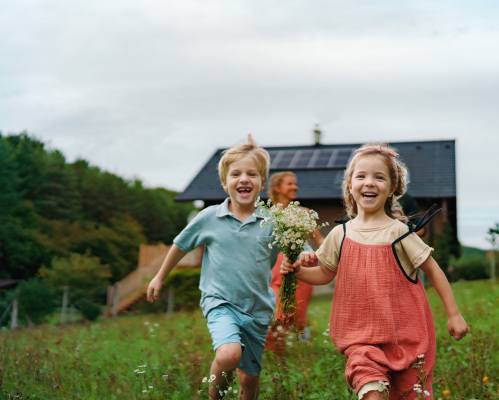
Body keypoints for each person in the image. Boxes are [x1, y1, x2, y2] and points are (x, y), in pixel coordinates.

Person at [281, 144, 468, 399]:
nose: (369, 183)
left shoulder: (398, 232)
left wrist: (454, 314)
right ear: (350, 185)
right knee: (370, 390)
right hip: (360, 338)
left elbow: (434, 271)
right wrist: (297, 271)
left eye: (379, 177)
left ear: (392, 188)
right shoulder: (340, 234)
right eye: (361, 176)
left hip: (407, 337)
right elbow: (324, 273)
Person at [146, 134, 281, 400]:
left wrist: (306, 258)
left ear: (262, 182)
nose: (244, 179)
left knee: (250, 379)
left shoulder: (273, 221)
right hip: (220, 302)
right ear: (224, 182)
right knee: (229, 354)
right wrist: (159, 276)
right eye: (236, 174)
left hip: (258, 308)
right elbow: (180, 245)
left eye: (252, 174)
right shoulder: (209, 218)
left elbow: (298, 251)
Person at [264, 172, 324, 352]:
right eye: (290, 184)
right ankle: (274, 352)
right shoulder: (267, 214)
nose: (295, 187)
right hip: (276, 269)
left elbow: (319, 241)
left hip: (303, 267)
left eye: (295, 184)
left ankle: (298, 353)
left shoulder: (304, 213)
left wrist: (333, 254)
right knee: (275, 311)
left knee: (297, 314)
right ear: (277, 188)